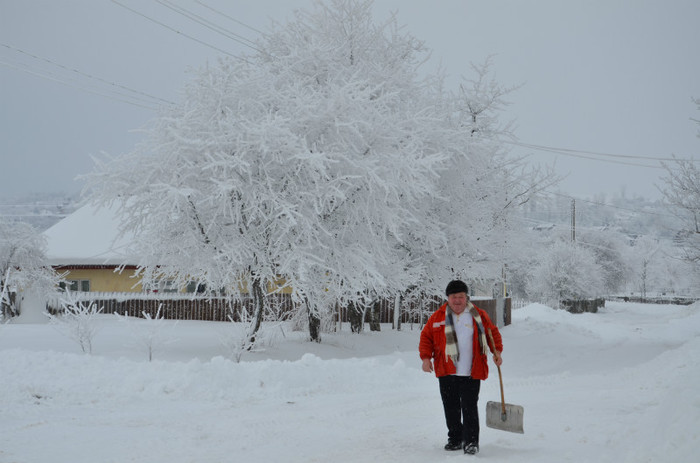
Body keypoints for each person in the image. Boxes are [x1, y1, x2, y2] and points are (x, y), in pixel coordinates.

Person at [419, 279, 503, 455]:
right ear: (448, 298)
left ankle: (471, 442)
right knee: (450, 406)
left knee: (469, 406)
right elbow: (426, 338)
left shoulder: (478, 315)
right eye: (453, 297)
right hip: (446, 370)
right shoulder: (437, 317)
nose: (457, 300)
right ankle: (456, 439)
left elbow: (492, 333)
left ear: (466, 297)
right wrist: (426, 358)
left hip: (471, 371)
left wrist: (497, 352)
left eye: (461, 296)